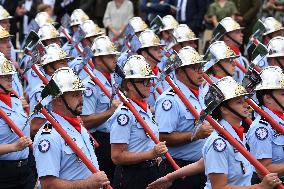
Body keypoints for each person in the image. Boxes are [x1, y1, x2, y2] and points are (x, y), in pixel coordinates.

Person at [147, 76, 282, 189]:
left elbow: (203, 163)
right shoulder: (219, 142)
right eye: (239, 102)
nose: (246, 105)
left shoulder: (234, 135)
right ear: (224, 109)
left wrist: (170, 177)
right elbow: (220, 187)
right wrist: (259, 187)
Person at [33, 67, 110, 189]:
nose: (81, 99)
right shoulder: (49, 135)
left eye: (81, 94)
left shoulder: (77, 125)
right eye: (75, 95)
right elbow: (48, 184)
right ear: (58, 100)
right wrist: (88, 184)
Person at [155, 46, 213, 189]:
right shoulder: (169, 100)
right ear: (180, 71)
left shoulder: (201, 93)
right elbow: (163, 138)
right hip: (180, 167)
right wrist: (195, 135)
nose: (201, 71)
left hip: (203, 166)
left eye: (201, 66)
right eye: (194, 68)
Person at [108, 55, 168, 189]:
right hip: (132, 175)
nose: (149, 85)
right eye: (143, 81)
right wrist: (151, 154)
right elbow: (117, 156)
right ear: (130, 84)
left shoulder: (144, 107)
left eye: (150, 80)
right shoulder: (124, 114)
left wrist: (155, 158)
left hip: (151, 170)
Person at [81, 35, 121, 184]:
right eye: (110, 56)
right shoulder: (90, 85)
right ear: (98, 59)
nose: (114, 59)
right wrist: (110, 112)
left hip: (113, 138)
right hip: (99, 141)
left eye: (114, 55)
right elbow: (85, 121)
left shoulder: (112, 79)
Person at [0, 52, 35, 189]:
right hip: (4, 173)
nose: (10, 79)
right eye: (5, 76)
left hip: (26, 168)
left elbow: (26, 128)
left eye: (10, 75)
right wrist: (13, 147)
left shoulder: (15, 99)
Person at [246, 66, 284, 184]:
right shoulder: (262, 128)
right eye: (283, 93)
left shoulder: (281, 116)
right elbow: (264, 171)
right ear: (268, 98)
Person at [29, 43, 71, 136]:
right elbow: (35, 127)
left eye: (66, 62)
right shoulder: (41, 92)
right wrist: (65, 123)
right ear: (50, 68)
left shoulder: (64, 86)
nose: (68, 67)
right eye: (62, 63)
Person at [212, 17, 247, 83]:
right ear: (226, 37)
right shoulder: (222, 57)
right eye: (237, 32)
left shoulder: (237, 53)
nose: (242, 34)